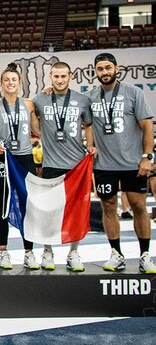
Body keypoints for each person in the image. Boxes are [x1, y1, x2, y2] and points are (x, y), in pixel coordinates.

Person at [87, 52, 156, 274]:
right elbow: (83, 120)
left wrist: (147, 156)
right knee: (108, 207)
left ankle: (145, 255)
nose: (104, 72)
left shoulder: (133, 93)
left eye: (108, 68)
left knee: (139, 206)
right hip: (104, 164)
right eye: (100, 69)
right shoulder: (91, 96)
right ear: (95, 72)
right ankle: (116, 253)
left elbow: (147, 126)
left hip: (132, 163)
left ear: (117, 69)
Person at [32, 61, 93, 272]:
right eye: (56, 76)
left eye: (63, 76)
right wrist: (40, 133)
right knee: (49, 211)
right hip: (51, 164)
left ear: (70, 76)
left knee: (76, 211)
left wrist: (91, 146)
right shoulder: (40, 98)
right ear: (50, 77)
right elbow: (31, 114)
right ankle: (47, 251)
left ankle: (73, 252)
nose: (59, 80)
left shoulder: (82, 100)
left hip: (76, 165)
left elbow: (89, 124)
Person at [0, 62, 39, 270]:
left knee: (28, 206)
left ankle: (29, 252)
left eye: (14, 80)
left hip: (26, 158)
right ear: (0, 84)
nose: (10, 83)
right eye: (6, 80)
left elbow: (38, 128)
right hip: (5, 159)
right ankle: (3, 252)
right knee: (3, 205)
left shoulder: (28, 105)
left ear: (20, 83)